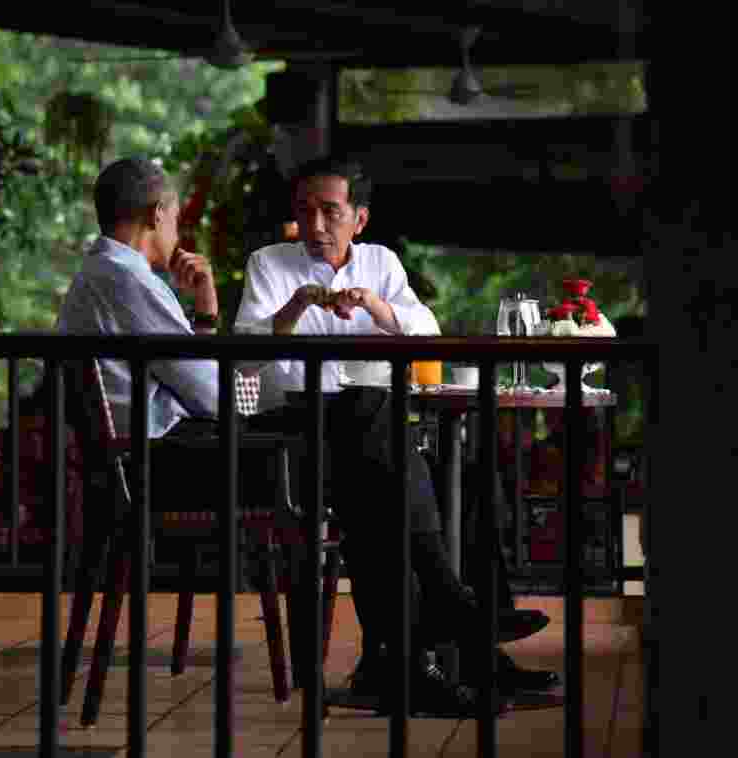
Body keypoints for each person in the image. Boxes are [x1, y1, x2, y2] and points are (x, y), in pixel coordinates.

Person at [234, 155, 559, 706]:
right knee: (378, 440)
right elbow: (243, 358)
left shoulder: (381, 263)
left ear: (358, 219)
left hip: (367, 439)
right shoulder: (270, 263)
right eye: (305, 211)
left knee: (468, 484)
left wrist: (377, 307)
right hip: (296, 436)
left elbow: (425, 334)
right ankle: (453, 618)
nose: (315, 225)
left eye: (330, 212)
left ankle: (441, 658)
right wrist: (292, 309)